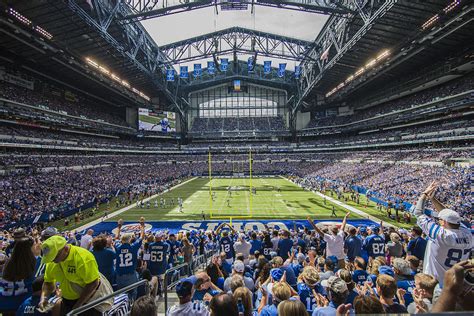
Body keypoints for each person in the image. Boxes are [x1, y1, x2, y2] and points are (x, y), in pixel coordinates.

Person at [413, 182, 473, 286]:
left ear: (444, 222)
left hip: (435, 283)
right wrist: (433, 199)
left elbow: (418, 212)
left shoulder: (441, 234)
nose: (438, 221)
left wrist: (424, 194)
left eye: (439, 219)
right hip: (455, 283)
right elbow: (447, 214)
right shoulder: (468, 234)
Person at [38, 236, 102, 315]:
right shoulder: (51, 262)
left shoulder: (83, 257)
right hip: (67, 301)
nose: (53, 260)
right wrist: (43, 297)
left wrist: (77, 307)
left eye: (55, 257)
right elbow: (48, 282)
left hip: (88, 302)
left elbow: (93, 283)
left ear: (65, 249)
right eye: (50, 258)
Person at [0, 237, 38, 315]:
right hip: (21, 305)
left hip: (5, 303)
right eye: (34, 245)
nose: (37, 246)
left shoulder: (8, 263)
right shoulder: (34, 263)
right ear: (29, 249)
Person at [115, 221, 144, 300]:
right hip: (131, 274)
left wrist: (119, 227)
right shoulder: (133, 247)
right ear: (130, 239)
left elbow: (116, 237)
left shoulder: (117, 246)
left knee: (121, 296)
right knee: (133, 293)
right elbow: (141, 237)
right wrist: (142, 226)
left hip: (120, 275)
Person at [146, 233, 169, 297]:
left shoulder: (150, 245)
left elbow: (147, 255)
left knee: (153, 281)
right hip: (161, 266)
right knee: (161, 281)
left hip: (152, 266)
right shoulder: (165, 245)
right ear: (161, 238)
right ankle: (161, 294)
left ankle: (152, 295)